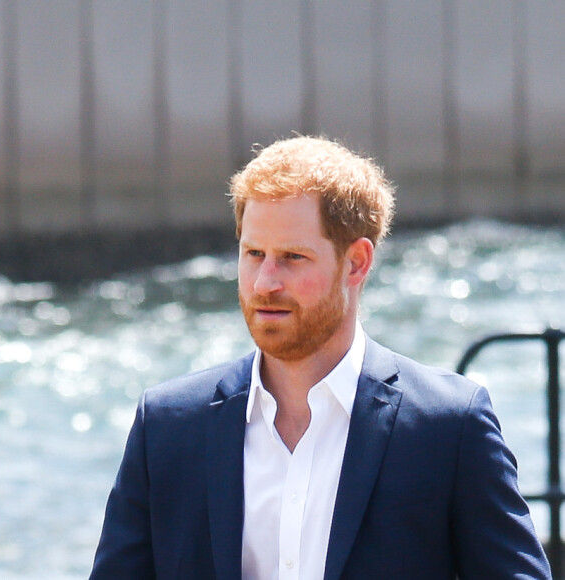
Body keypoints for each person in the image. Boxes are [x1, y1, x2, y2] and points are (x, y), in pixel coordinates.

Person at [90, 135, 550, 579]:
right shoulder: (167, 425)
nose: (264, 282)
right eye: (253, 254)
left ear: (356, 263)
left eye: (292, 257)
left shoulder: (449, 425)